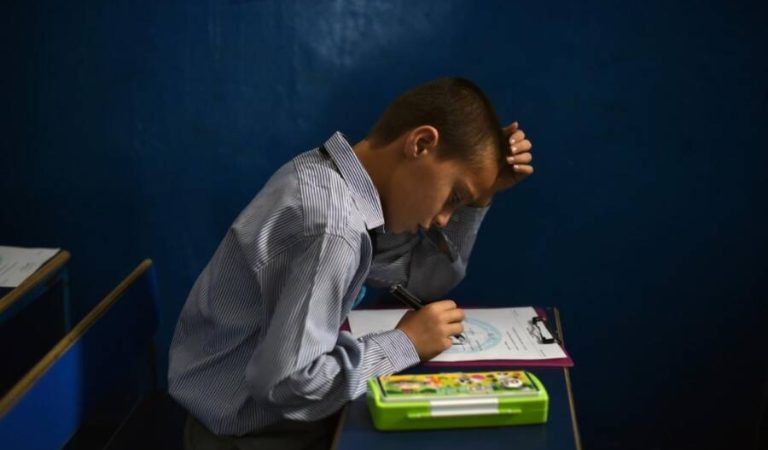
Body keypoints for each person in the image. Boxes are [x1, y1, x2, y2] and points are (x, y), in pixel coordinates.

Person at [168, 77, 534, 449]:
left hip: (249, 425)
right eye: (454, 196)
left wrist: (480, 196)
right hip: (252, 437)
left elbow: (423, 280)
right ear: (421, 144)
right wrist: (405, 343)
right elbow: (289, 385)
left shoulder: (327, 178)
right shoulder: (334, 228)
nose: (444, 219)